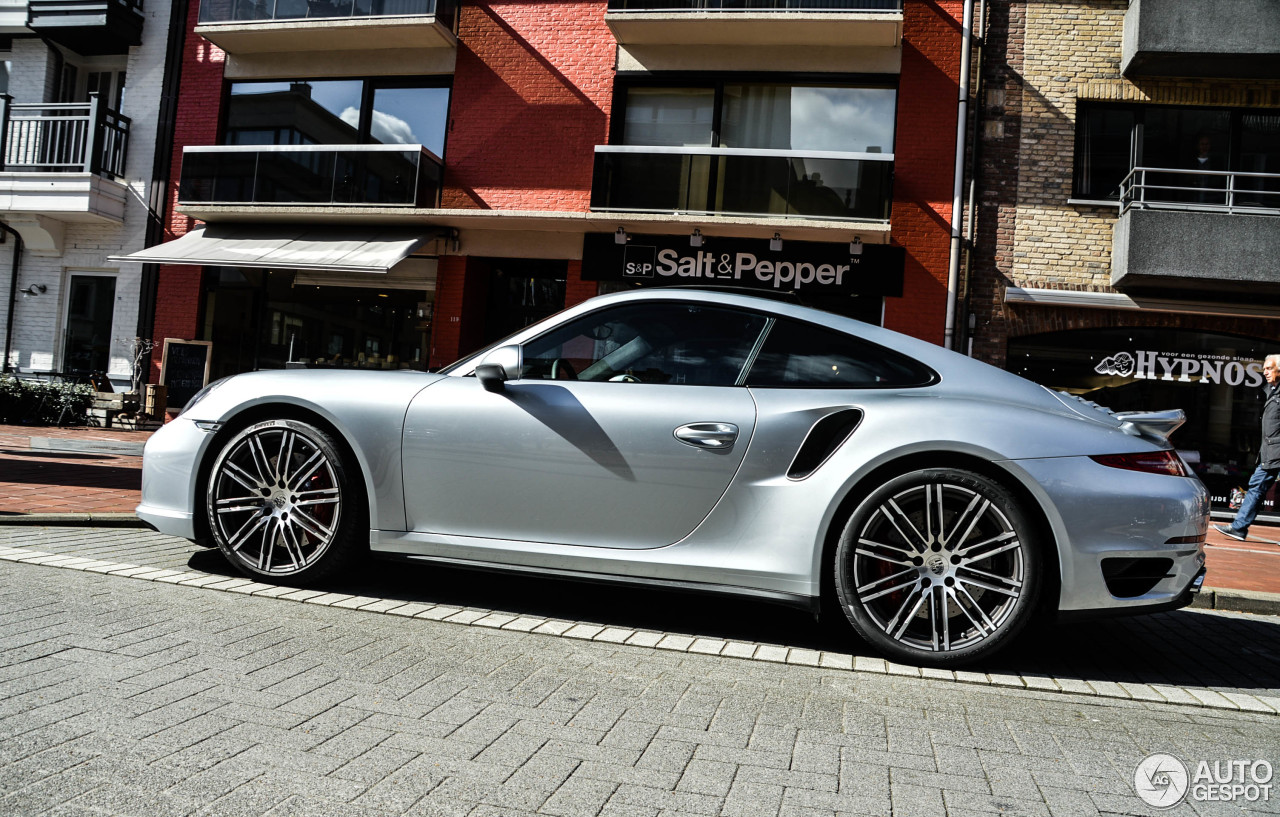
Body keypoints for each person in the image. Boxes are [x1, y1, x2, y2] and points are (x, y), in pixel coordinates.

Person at [1214, 354, 1280, 541]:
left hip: (1276, 451)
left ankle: (1239, 527)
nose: (1264, 372)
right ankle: (1239, 528)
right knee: (1256, 486)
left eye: (1269, 368)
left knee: (1256, 486)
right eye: (1264, 368)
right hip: (1270, 451)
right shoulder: (1273, 391)